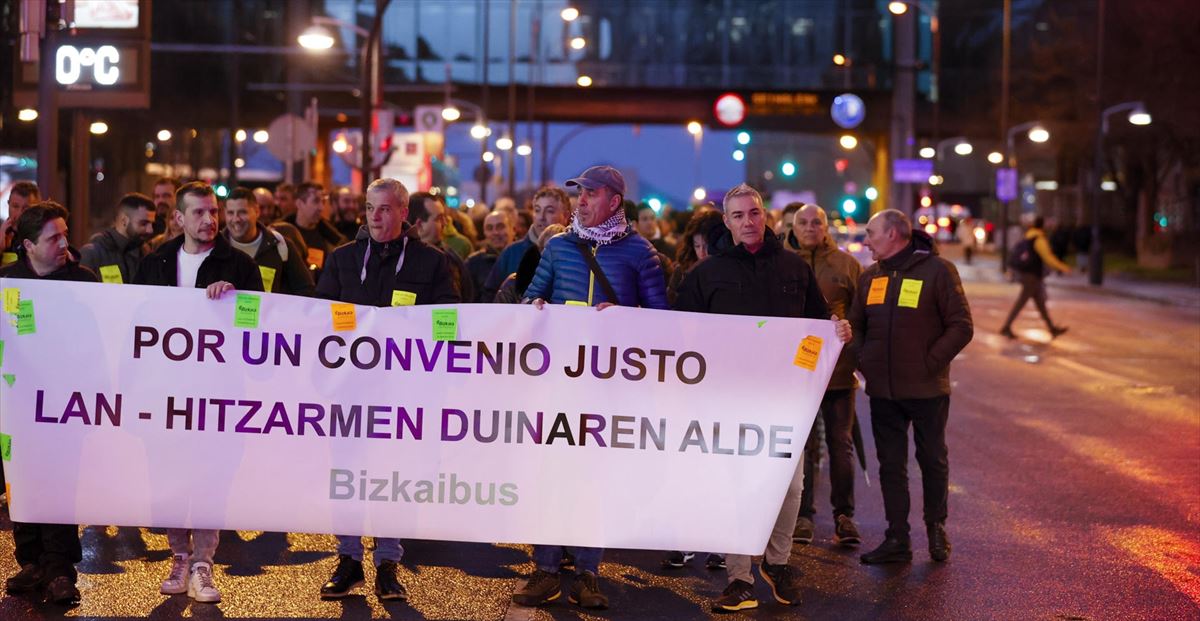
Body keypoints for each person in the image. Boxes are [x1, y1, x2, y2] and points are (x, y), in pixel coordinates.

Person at [674, 185, 851, 613]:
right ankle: (738, 578)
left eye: (754, 213)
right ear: (727, 222)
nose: (748, 222)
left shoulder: (793, 268)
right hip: (728, 398)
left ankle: (777, 561)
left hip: (785, 398)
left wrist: (835, 328)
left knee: (791, 486)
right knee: (738, 486)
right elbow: (677, 333)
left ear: (765, 216)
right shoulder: (706, 274)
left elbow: (816, 319)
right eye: (738, 216)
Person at [512, 166, 667, 611]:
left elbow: (662, 323)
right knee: (550, 476)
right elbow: (531, 298)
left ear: (614, 201)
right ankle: (545, 570)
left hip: (610, 390)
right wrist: (534, 307)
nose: (580, 201)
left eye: (590, 194)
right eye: (579, 194)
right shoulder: (559, 247)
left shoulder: (642, 253)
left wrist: (626, 319)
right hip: (557, 386)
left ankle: (586, 573)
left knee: (593, 481)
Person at [314, 178, 458, 602]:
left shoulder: (431, 262)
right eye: (369, 208)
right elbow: (320, 315)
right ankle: (348, 560)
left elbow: (448, 320)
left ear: (403, 214)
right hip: (349, 391)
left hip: (403, 394)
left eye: (384, 209)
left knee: (394, 478)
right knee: (347, 478)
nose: (375, 217)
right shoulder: (343, 258)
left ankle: (389, 564)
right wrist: (350, 328)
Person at [134, 181, 264, 604]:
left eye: (214, 212)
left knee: (211, 477)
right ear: (178, 218)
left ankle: (204, 562)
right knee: (168, 476)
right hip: (166, 394)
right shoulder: (154, 264)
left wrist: (235, 301)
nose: (209, 220)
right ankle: (178, 555)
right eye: (199, 213)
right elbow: (135, 326)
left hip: (218, 394)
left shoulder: (239, 265)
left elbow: (259, 324)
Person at [849, 209, 973, 566]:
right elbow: (856, 325)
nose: (866, 240)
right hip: (883, 391)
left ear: (893, 235)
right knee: (891, 465)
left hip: (927, 390)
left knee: (932, 460)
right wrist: (863, 360)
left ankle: (936, 528)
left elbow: (961, 326)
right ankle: (897, 538)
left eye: (871, 233)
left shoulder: (938, 271)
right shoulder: (870, 277)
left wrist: (929, 363)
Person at [0, 202, 95, 606]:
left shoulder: (83, 282)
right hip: (16, 407)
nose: (63, 244)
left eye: (65, 235)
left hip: (64, 406)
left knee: (59, 486)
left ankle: (59, 569)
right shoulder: (8, 284)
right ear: (27, 245)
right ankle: (32, 561)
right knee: (20, 483)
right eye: (53, 238)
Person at [790, 205, 864, 547]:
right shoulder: (784, 262)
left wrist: (856, 350)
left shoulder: (847, 265)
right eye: (802, 222)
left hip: (838, 373)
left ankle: (843, 516)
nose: (809, 227)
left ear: (825, 226)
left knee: (841, 444)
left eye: (816, 221)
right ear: (793, 227)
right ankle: (803, 515)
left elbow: (861, 317)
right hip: (797, 375)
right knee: (803, 447)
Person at [482, 186, 571, 303]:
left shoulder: (576, 253)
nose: (541, 217)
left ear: (566, 215)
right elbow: (490, 296)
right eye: (537, 210)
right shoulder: (512, 252)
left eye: (549, 211)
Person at [222, 187, 315, 296]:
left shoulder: (280, 245)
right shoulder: (215, 246)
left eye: (242, 212)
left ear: (257, 211)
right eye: (230, 213)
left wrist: (282, 309)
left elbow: (306, 289)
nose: (236, 219)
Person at [999, 215, 1071, 339]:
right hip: (1031, 276)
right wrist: (1063, 267)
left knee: (1040, 305)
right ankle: (1006, 327)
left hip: (1030, 275)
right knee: (1021, 302)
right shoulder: (1039, 239)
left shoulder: (1029, 236)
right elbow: (1047, 257)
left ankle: (1052, 329)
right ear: (1042, 226)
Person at [408, 192, 474, 302]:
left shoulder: (448, 258)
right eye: (439, 218)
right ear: (419, 224)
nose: (445, 223)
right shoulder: (397, 254)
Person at [79, 192, 156, 283]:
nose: (150, 230)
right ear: (124, 220)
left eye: (152, 224)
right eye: (144, 223)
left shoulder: (146, 253)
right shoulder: (92, 254)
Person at [282, 182, 346, 276]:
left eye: (323, 202)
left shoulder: (331, 239)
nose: (321, 207)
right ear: (299, 203)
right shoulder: (282, 233)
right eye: (316, 201)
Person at [665, 208, 725, 306]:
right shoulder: (682, 271)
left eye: (707, 246)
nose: (702, 253)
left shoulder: (730, 269)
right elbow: (671, 306)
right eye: (697, 246)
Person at [494, 223, 565, 303]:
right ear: (540, 251)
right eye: (547, 250)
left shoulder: (570, 286)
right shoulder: (513, 284)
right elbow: (500, 314)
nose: (552, 256)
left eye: (558, 252)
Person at [465, 210, 513, 302]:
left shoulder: (523, 257)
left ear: (513, 229)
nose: (495, 232)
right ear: (484, 233)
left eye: (500, 226)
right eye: (489, 228)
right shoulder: (473, 263)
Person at [2, 181, 40, 258]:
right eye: (15, 206)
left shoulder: (44, 236)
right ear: (8, 204)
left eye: (26, 208)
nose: (20, 214)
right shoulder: (2, 232)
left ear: (38, 208)